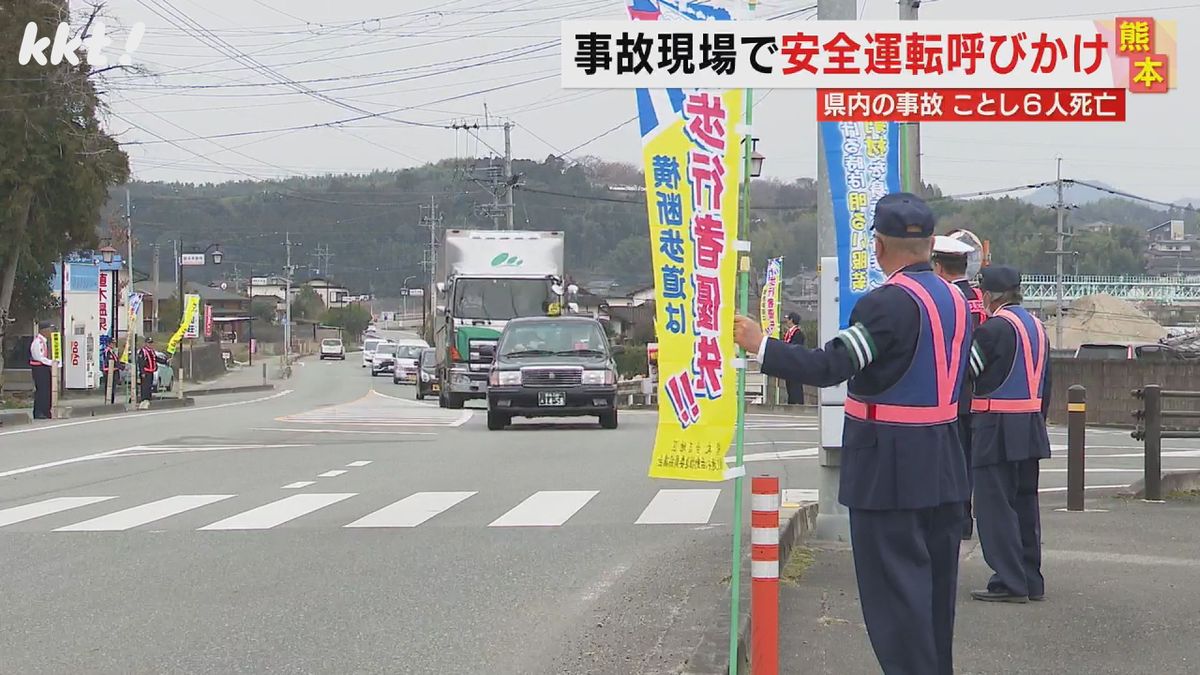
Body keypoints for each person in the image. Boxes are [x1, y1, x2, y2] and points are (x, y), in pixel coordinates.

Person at [734, 192, 971, 675]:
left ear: (879, 247)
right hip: (945, 462)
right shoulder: (959, 300)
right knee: (933, 602)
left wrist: (763, 346)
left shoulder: (886, 305)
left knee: (896, 602)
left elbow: (830, 366)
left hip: (890, 470)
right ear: (930, 244)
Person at [968, 265, 1052, 603]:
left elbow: (966, 371)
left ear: (988, 296)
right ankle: (1031, 578)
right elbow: (1048, 382)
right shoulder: (1037, 327)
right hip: (1030, 423)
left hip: (995, 424)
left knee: (994, 506)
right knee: (1025, 504)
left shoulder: (993, 331)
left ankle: (1008, 580)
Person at [932, 234, 986, 540]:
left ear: (939, 267)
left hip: (949, 392)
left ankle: (954, 519)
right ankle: (965, 519)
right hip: (978, 393)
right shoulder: (979, 298)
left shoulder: (945, 299)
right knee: (967, 459)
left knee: (949, 460)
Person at [29, 321, 57, 419]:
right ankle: (39, 411)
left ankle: (46, 410)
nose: (51, 332)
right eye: (50, 329)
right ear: (44, 330)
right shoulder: (38, 342)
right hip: (39, 368)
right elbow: (38, 357)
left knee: (47, 389)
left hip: (44, 368)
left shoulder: (44, 341)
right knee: (42, 390)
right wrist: (51, 362)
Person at [782, 312, 806, 404]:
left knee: (795, 384)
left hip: (795, 362)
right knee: (789, 384)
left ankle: (798, 403)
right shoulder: (789, 332)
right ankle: (791, 402)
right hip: (789, 361)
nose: (786, 321)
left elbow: (796, 347)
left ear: (791, 320)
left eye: (788, 319)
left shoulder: (798, 333)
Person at [137, 337, 158, 404]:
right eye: (149, 343)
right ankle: (144, 399)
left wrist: (165, 361)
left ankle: (148, 399)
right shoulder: (143, 351)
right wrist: (142, 372)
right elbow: (141, 362)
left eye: (151, 343)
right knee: (145, 386)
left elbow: (156, 359)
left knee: (149, 386)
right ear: (145, 343)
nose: (150, 344)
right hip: (145, 372)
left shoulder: (152, 351)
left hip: (151, 371)